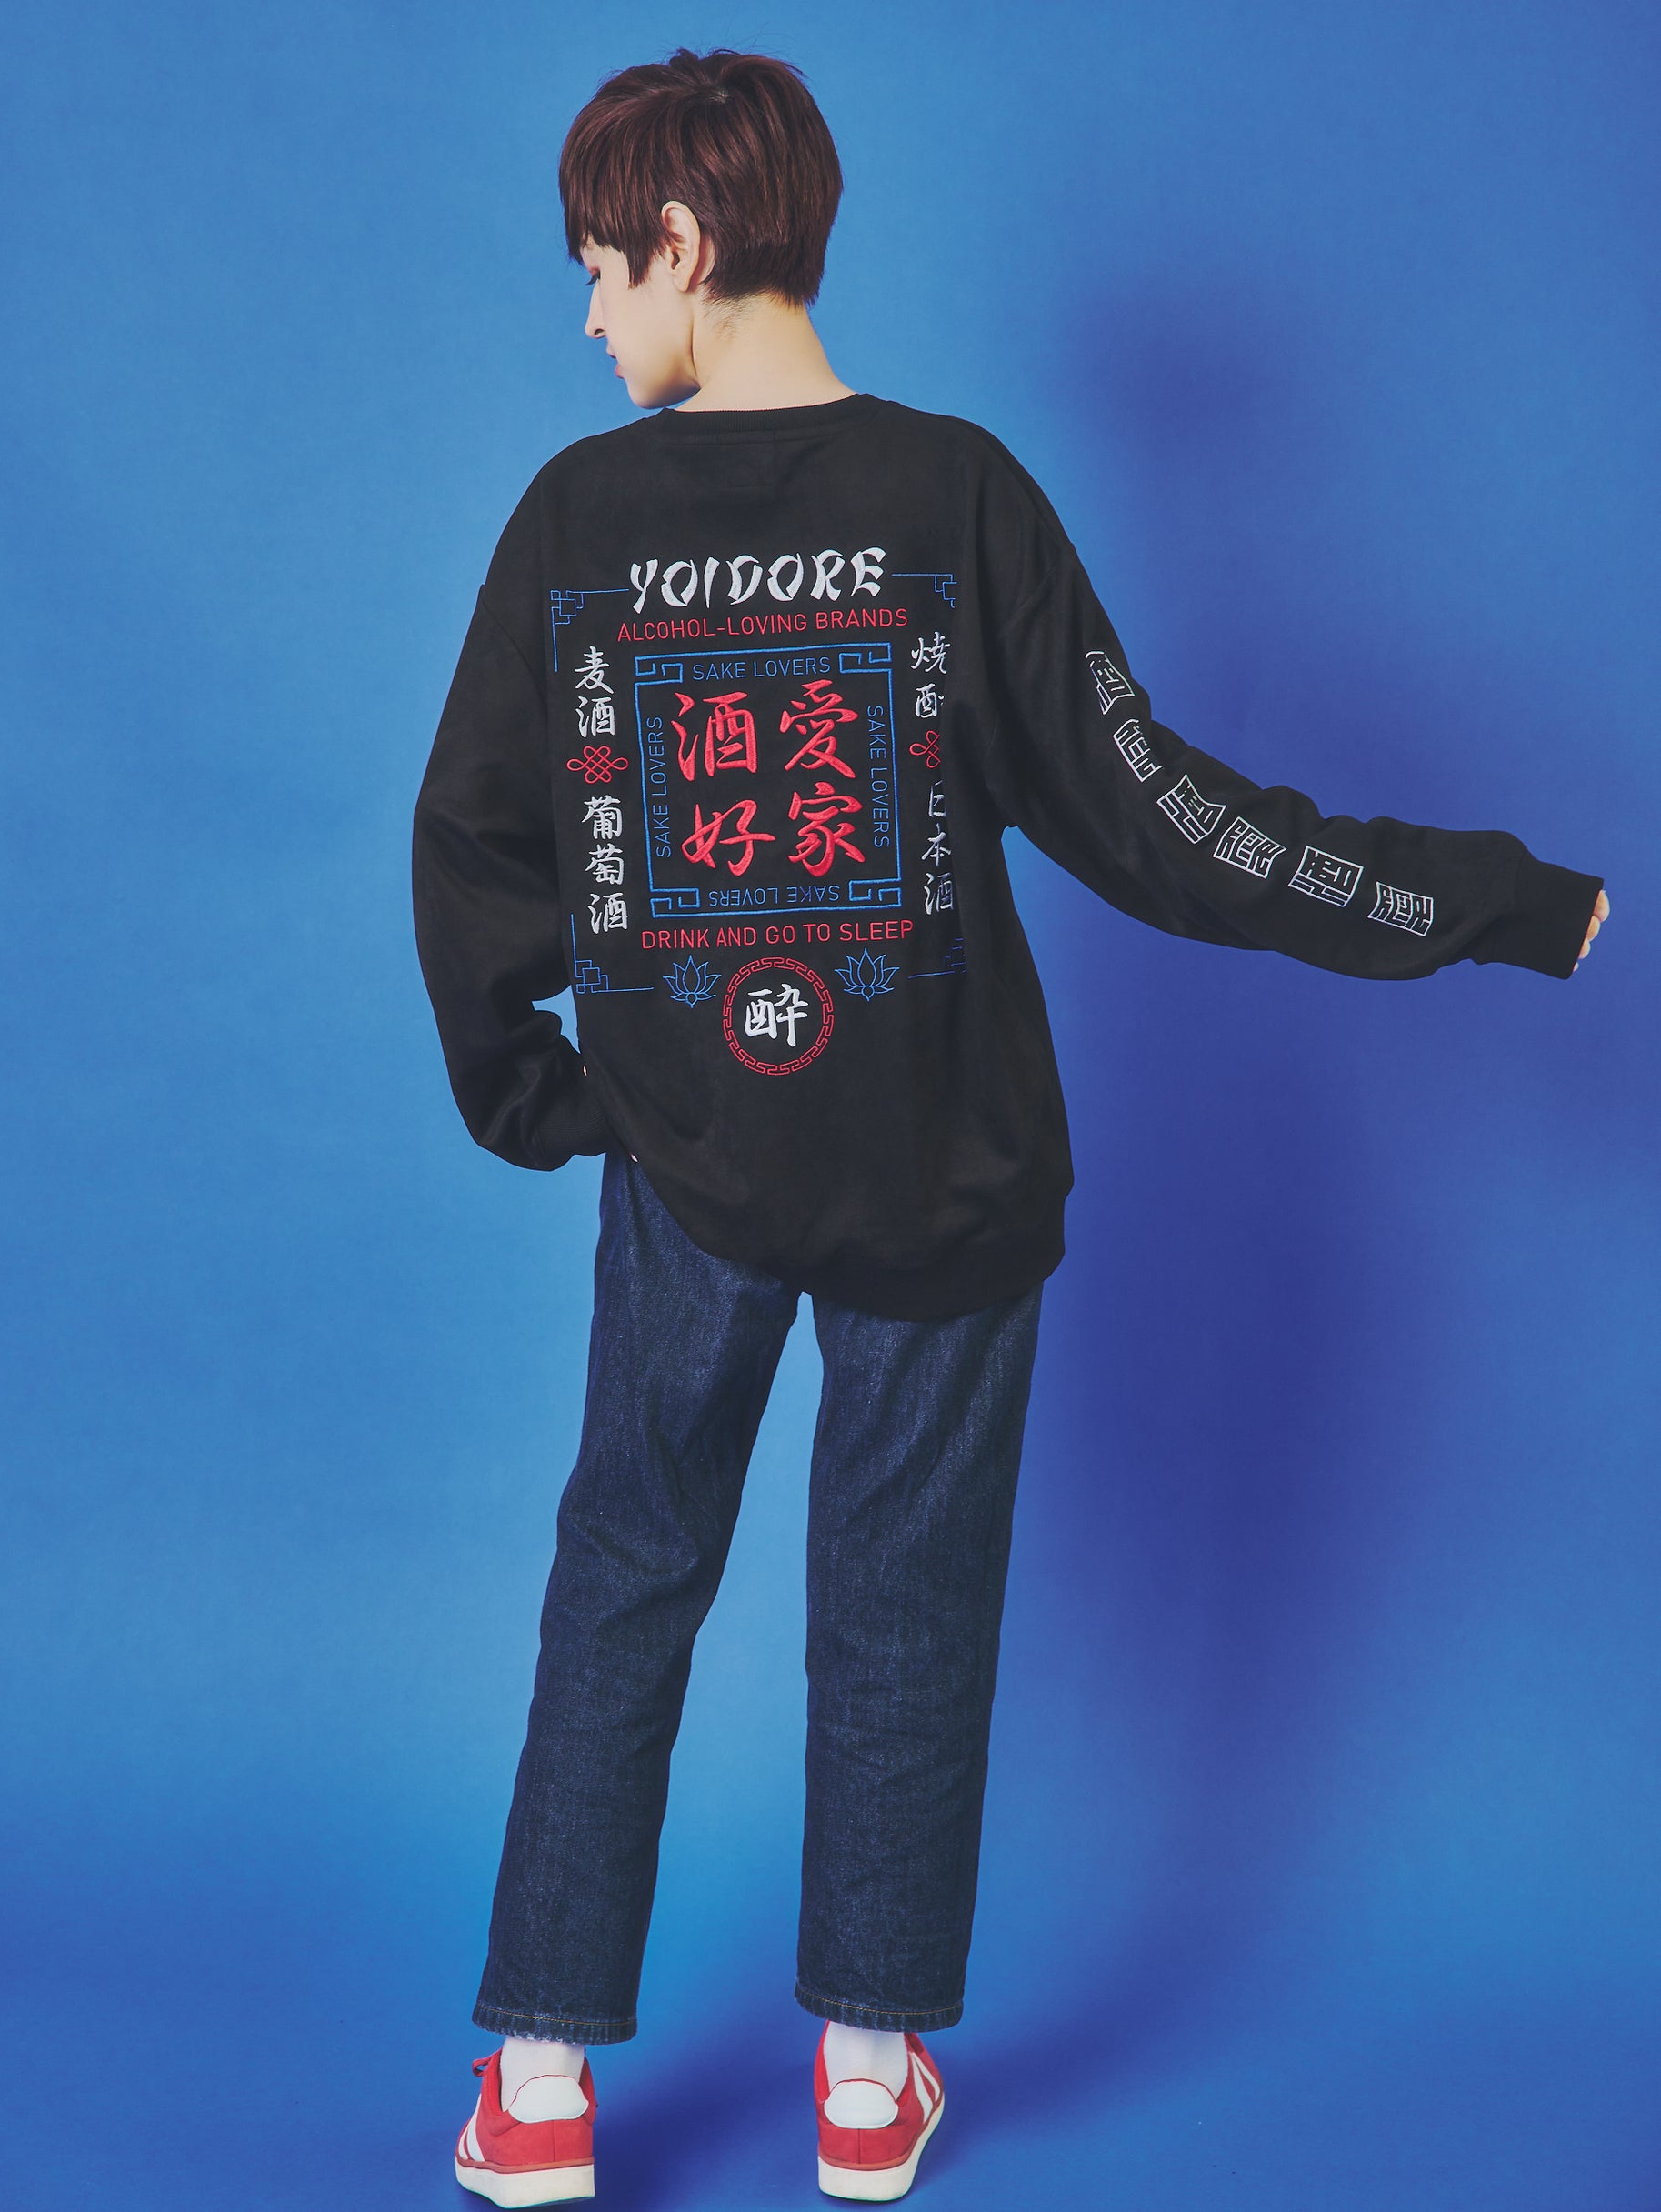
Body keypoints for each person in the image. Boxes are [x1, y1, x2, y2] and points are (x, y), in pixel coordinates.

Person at [411, 45, 1610, 2207]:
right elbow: (1167, 826)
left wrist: (547, 1093)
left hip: (686, 1163)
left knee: (621, 1583)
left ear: (685, 241)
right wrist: (1499, 905)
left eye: (600, 266)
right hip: (943, 1163)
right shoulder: (955, 497)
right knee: (905, 1604)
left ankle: (540, 2087)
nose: (588, 315)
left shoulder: (578, 525)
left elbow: (469, 838)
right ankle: (866, 2081)